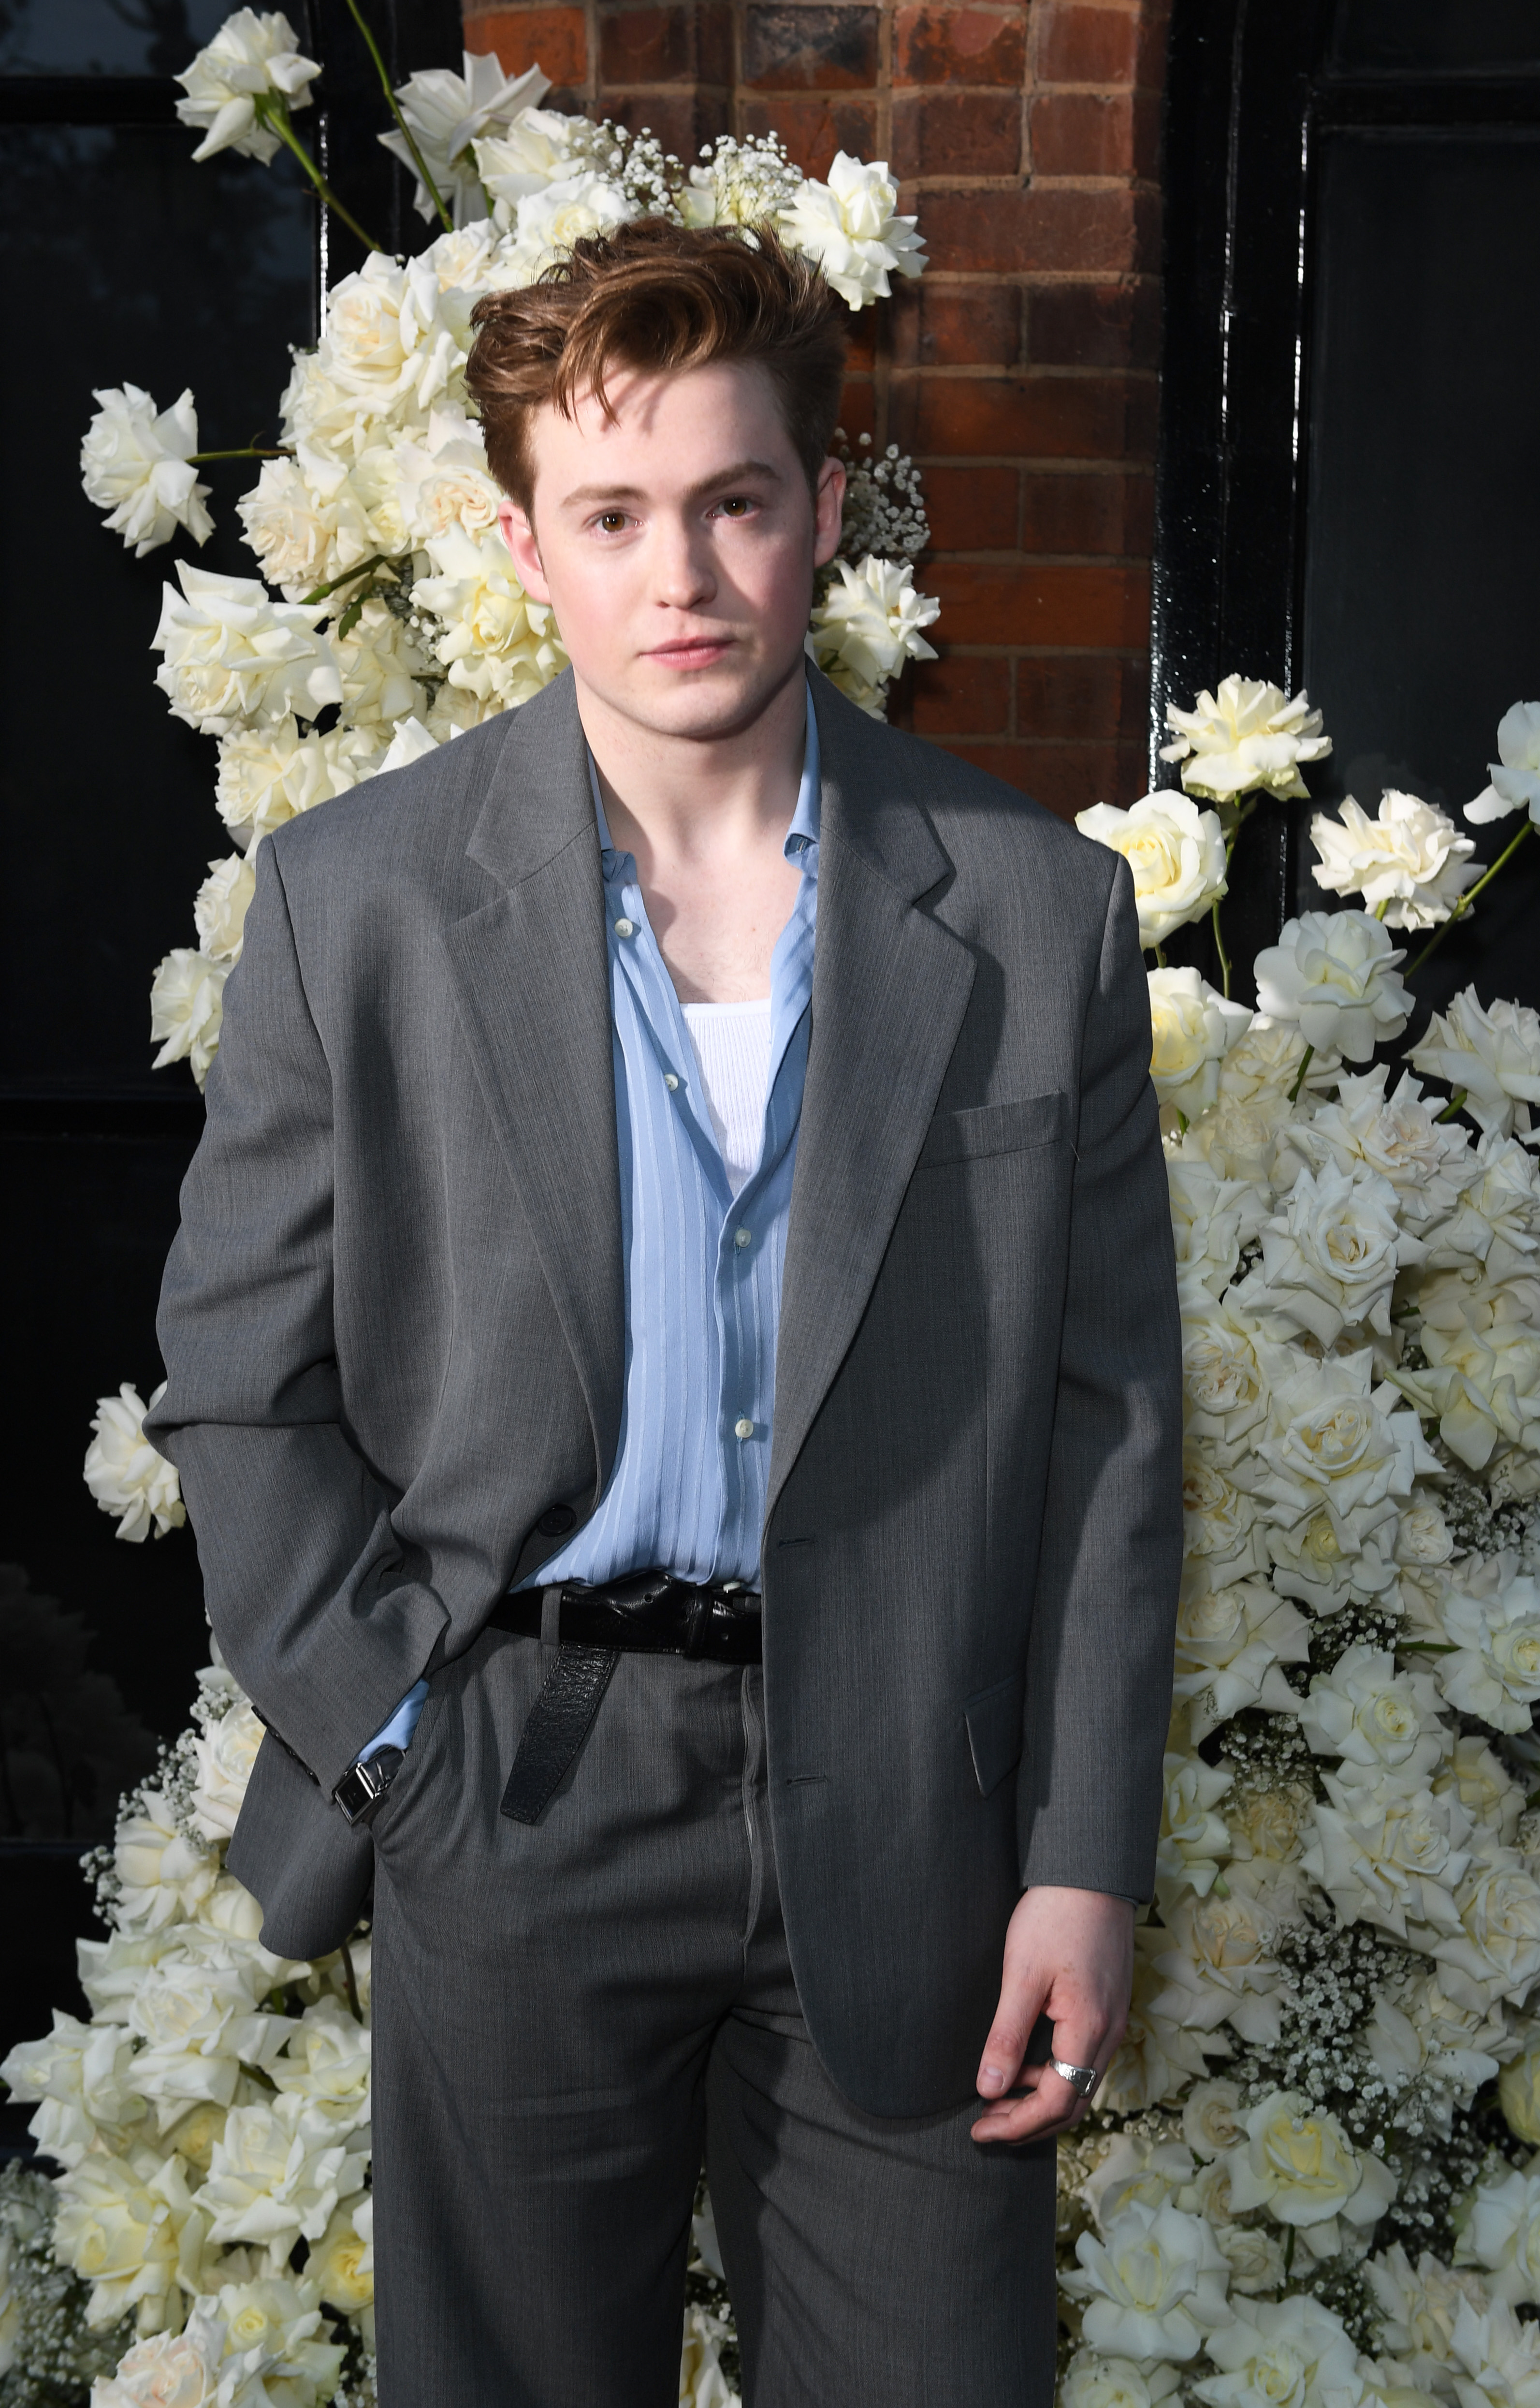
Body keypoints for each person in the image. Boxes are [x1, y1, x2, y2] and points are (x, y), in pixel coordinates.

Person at [149, 219, 1181, 2408]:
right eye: (613, 515)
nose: (682, 573)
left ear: (825, 508)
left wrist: (1082, 1858)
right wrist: (397, 1740)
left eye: (733, 501)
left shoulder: (1036, 911)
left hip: (913, 1806)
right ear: (525, 545)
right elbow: (237, 1382)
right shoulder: (356, 906)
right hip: (515, 1785)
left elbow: (1105, 1428)